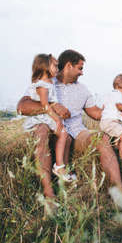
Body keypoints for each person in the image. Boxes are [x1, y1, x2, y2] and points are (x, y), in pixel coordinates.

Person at [17, 49, 122, 211]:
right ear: (68, 66)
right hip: (52, 129)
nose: (82, 73)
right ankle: (49, 196)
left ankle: (121, 194)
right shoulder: (46, 82)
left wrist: (118, 112)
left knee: (101, 138)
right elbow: (22, 107)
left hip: (77, 131)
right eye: (80, 68)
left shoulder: (83, 90)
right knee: (42, 130)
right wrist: (52, 106)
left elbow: (96, 113)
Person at [22, 54, 74, 182]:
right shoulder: (42, 84)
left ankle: (62, 166)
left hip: (48, 116)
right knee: (63, 133)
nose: (57, 68)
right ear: (45, 67)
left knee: (65, 135)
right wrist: (57, 119)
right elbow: (45, 105)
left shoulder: (50, 83)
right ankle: (59, 166)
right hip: (42, 117)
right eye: (55, 66)